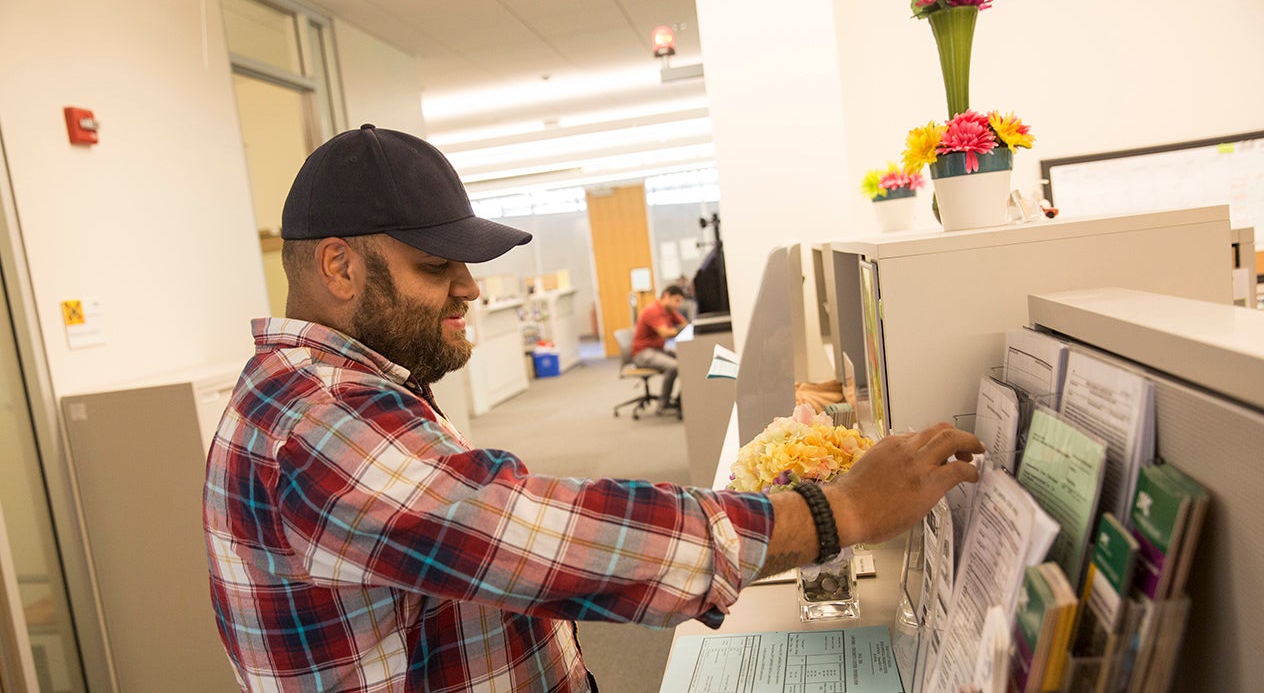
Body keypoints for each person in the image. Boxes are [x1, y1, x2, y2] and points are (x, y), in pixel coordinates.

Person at [203, 124, 983, 692]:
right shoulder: (315, 421)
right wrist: (835, 510)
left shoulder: (343, 388)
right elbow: (529, 534)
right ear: (339, 266)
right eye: (436, 265)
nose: (470, 289)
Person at [631, 285, 688, 414]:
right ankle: (663, 404)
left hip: (657, 350)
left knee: (688, 360)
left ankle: (682, 400)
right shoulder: (653, 310)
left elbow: (685, 324)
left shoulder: (669, 310)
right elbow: (665, 333)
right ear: (666, 296)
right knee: (674, 366)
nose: (678, 305)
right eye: (676, 300)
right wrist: (680, 329)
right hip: (642, 353)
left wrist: (682, 328)